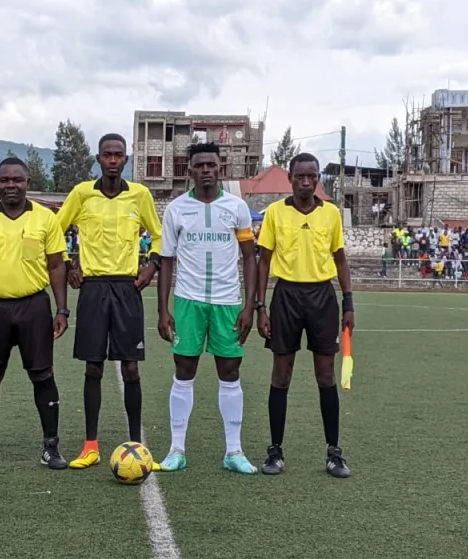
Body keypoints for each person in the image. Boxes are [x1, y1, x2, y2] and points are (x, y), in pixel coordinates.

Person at [57, 133, 163, 469]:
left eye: (119, 155)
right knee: (94, 365)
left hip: (127, 288)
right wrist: (68, 261)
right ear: (98, 158)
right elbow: (54, 229)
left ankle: (136, 444)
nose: (113, 160)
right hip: (92, 288)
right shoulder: (82, 194)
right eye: (107, 155)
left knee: (130, 367)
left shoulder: (140, 195)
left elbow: (160, 234)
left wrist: (152, 264)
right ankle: (90, 445)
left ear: (126, 159)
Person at [0, 157, 71, 469]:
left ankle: (51, 447)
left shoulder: (46, 218)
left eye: (17, 180)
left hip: (34, 306)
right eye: (5, 180)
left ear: (28, 183)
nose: (11, 185)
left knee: (42, 374)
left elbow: (56, 265)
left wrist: (61, 309)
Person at [156, 142, 258, 474]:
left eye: (211, 165)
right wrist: (163, 309)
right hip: (188, 301)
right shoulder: (176, 209)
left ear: (220, 168)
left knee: (230, 372)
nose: (205, 170)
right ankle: (176, 450)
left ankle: (233, 451)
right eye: (199, 165)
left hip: (228, 302)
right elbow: (166, 261)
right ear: (190, 170)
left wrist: (250, 307)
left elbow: (249, 256)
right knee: (184, 370)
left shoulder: (237, 207)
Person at [254, 153, 354, 479]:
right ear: (290, 178)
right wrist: (261, 307)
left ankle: (334, 453)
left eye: (312, 176)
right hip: (286, 296)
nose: (306, 182)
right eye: (300, 176)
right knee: (281, 374)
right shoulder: (274, 213)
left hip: (322, 297)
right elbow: (264, 262)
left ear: (319, 179)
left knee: (326, 375)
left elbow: (340, 261)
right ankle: (275, 451)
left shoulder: (331, 214)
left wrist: (348, 303)